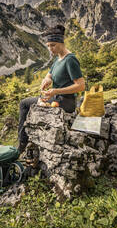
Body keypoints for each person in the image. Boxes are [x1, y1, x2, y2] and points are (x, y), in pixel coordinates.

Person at [18, 24, 85, 153]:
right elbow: (49, 75)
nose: (50, 49)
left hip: (65, 102)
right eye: (48, 46)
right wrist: (47, 80)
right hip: (55, 98)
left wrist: (56, 91)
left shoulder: (70, 60)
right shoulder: (58, 59)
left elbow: (81, 85)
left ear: (61, 43)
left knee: (24, 104)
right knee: (26, 103)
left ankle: (22, 143)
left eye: (53, 45)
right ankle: (23, 142)